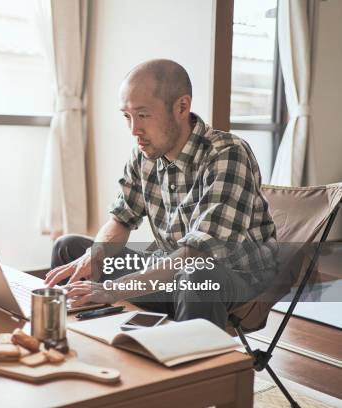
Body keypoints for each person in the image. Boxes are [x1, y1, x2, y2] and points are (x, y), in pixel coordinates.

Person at [45, 59, 277, 329]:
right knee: (69, 248)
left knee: (196, 275)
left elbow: (199, 254)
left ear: (182, 107)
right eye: (127, 116)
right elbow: (122, 218)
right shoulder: (145, 154)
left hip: (232, 279)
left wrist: (113, 289)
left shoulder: (227, 154)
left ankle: (195, 368)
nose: (134, 130)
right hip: (171, 271)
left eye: (142, 115)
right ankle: (74, 342)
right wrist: (93, 257)